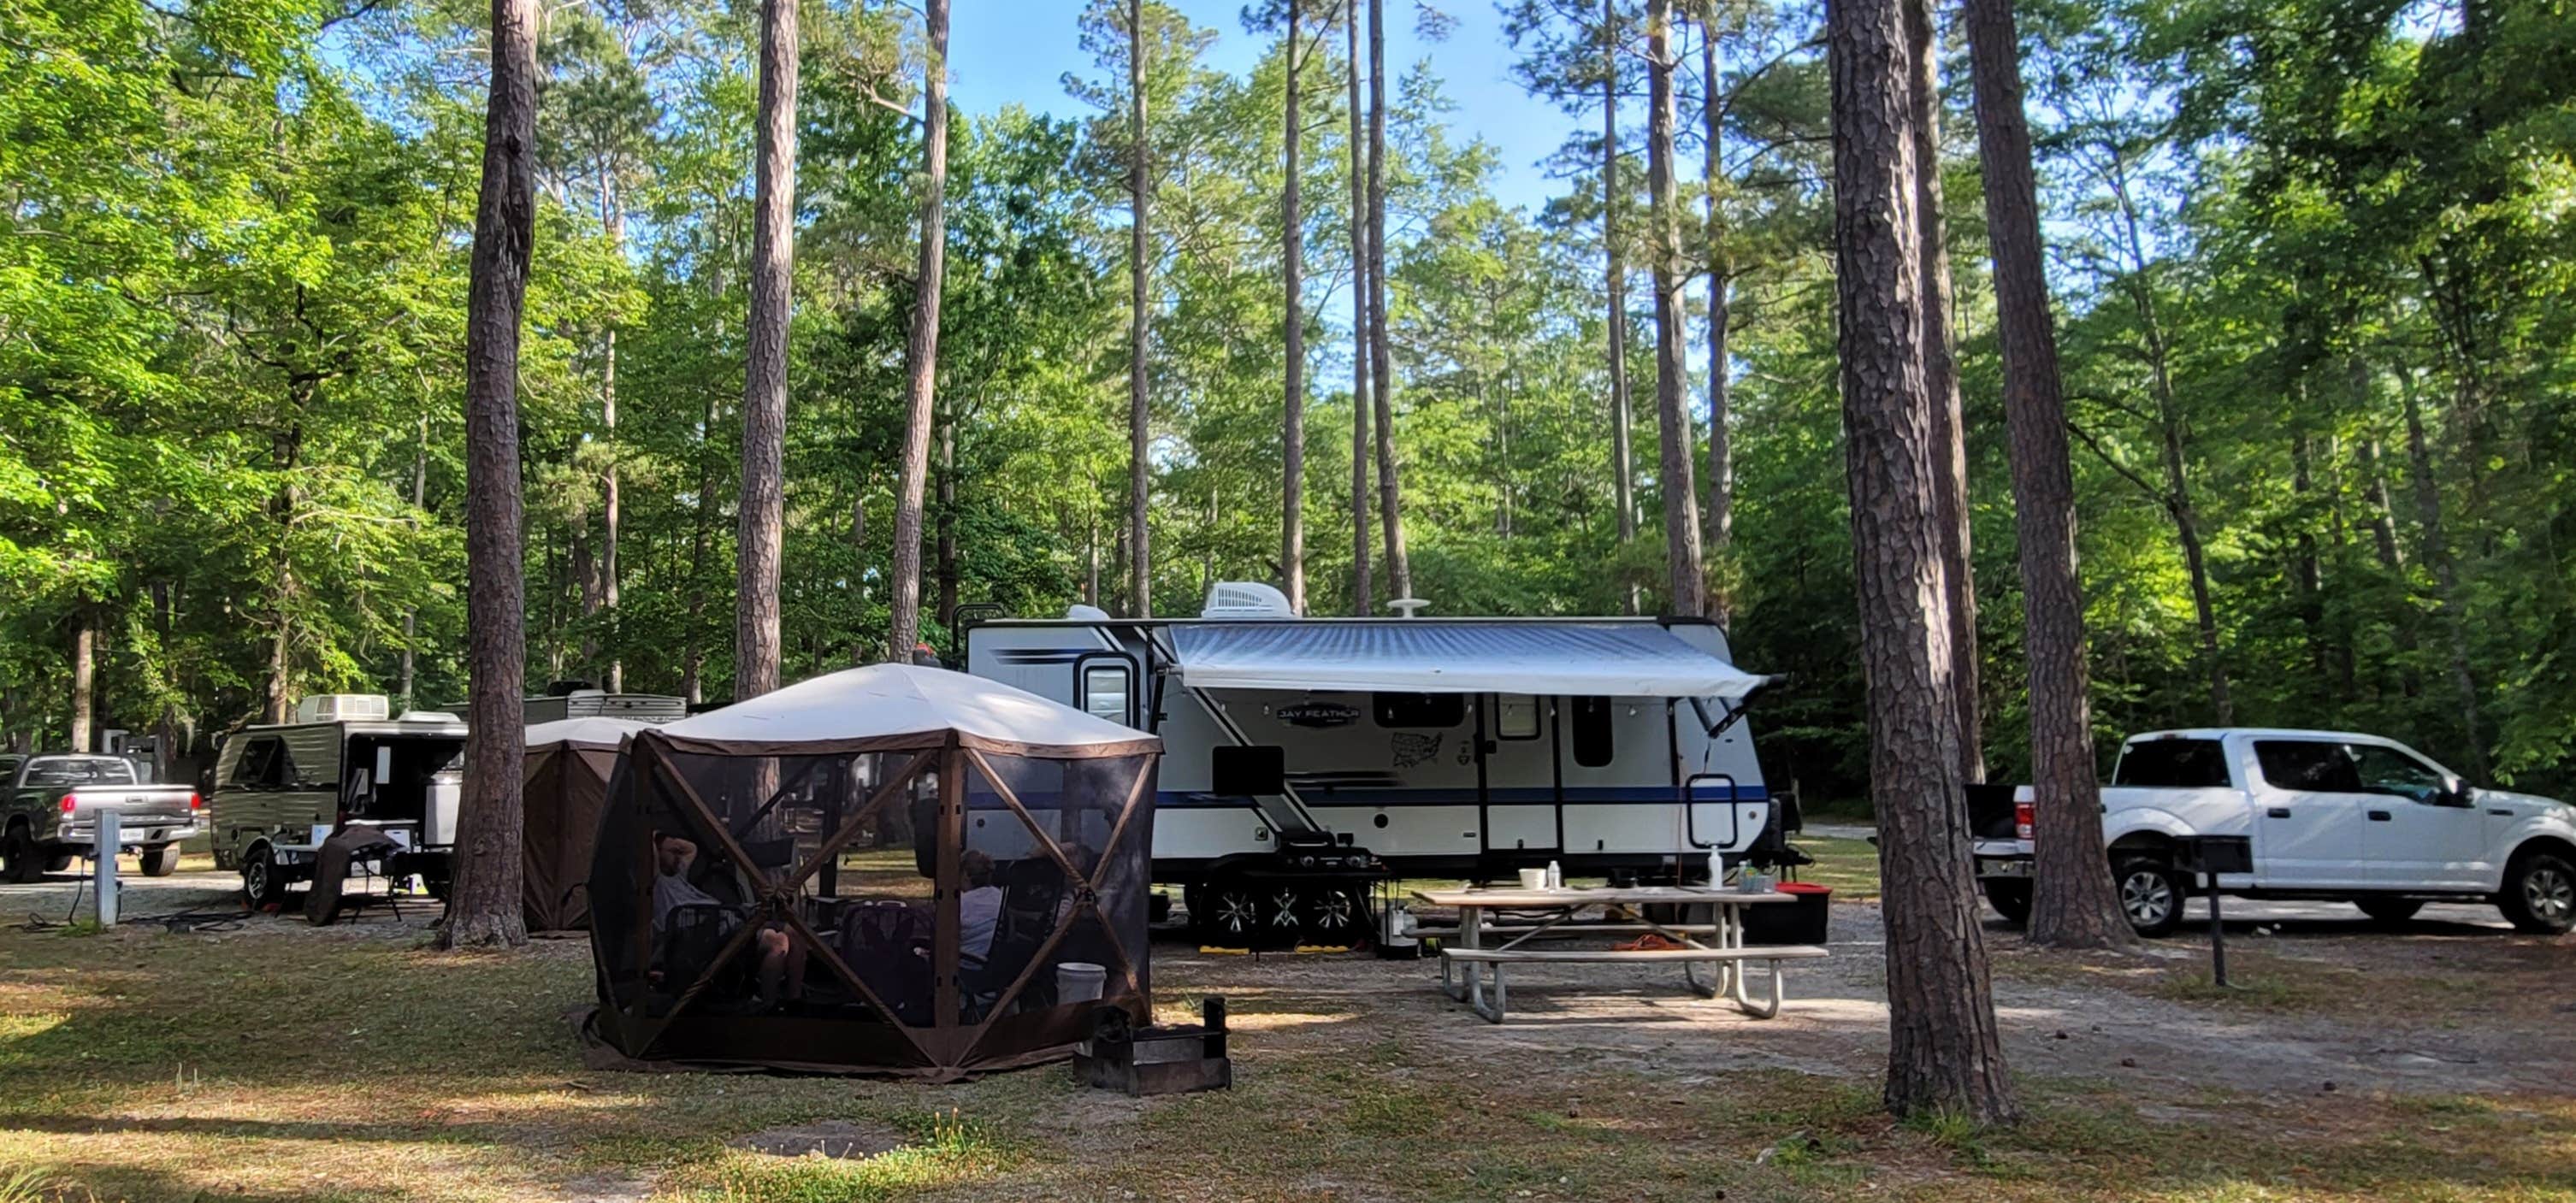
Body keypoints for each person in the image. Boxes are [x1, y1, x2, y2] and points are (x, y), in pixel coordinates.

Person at [651, 833, 804, 1008]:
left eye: (678, 851)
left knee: (794, 932)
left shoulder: (679, 876)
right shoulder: (656, 884)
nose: (678, 855)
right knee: (778, 943)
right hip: (702, 939)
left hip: (724, 925)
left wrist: (670, 844)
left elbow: (691, 848)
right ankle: (768, 1005)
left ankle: (794, 1001)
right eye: (673, 851)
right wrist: (654, 836)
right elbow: (649, 852)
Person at [958, 850, 1003, 970]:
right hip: (996, 965)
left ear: (966, 874)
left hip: (965, 965)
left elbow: (944, 939)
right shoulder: (1001, 897)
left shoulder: (961, 903)